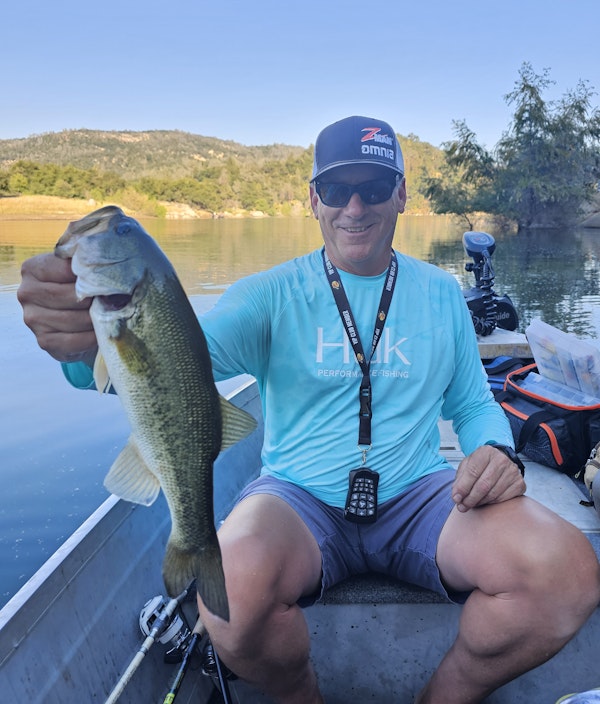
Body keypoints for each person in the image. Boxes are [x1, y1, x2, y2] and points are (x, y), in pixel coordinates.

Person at [18, 115, 600, 704]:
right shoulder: (268, 294)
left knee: (568, 574)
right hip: (297, 499)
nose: (354, 207)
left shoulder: (440, 292)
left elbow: (473, 403)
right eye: (335, 189)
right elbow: (171, 367)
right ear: (313, 200)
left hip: (420, 496)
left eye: (373, 187)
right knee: (230, 599)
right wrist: (83, 349)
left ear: (401, 194)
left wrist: (495, 451)